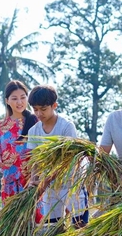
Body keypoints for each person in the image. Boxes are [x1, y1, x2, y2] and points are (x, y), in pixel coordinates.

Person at [26, 85, 88, 227]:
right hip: (50, 188)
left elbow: (68, 160)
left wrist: (46, 180)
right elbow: (35, 160)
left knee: (79, 224)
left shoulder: (66, 126)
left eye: (43, 109)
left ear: (54, 106)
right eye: (35, 109)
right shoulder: (33, 131)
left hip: (71, 183)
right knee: (53, 226)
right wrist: (34, 180)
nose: (39, 113)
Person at [0, 80, 39, 204]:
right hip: (9, 182)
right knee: (10, 221)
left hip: (31, 181)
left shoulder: (36, 121)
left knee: (33, 220)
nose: (19, 102)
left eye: (23, 97)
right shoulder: (0, 126)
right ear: (7, 101)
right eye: (14, 98)